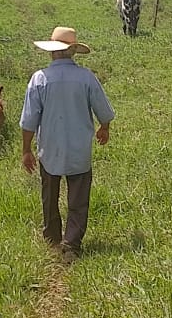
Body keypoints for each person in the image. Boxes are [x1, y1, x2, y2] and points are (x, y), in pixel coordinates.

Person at [19, 26, 115, 263]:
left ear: (52, 52)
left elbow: (29, 119)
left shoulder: (39, 79)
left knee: (49, 193)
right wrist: (104, 128)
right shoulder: (86, 78)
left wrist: (26, 150)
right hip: (79, 148)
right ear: (73, 51)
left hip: (49, 149)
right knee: (79, 197)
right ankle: (71, 244)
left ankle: (52, 238)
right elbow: (103, 111)